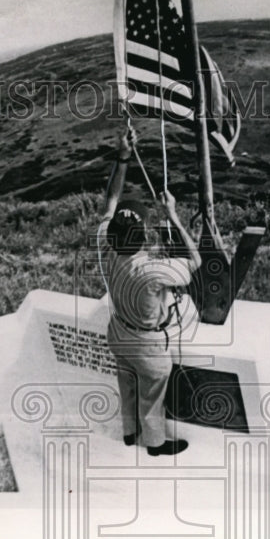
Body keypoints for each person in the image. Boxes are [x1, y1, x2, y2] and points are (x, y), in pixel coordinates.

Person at [98, 125, 202, 456]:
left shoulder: (106, 244)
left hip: (118, 333)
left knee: (126, 383)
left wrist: (123, 157)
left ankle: (129, 433)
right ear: (143, 238)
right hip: (147, 344)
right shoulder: (152, 270)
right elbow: (196, 261)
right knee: (151, 395)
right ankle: (154, 443)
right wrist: (173, 216)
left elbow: (109, 202)